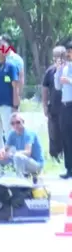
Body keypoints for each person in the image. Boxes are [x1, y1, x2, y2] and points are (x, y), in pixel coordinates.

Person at [0, 113, 44, 177]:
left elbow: (28, 152)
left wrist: (12, 154)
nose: (15, 125)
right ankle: (1, 177)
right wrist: (1, 152)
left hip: (35, 164)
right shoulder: (12, 134)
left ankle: (20, 179)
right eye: (12, 123)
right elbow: (5, 148)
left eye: (18, 122)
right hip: (20, 160)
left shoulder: (28, 133)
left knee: (17, 156)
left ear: (23, 122)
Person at [42, 46, 64, 160]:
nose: (59, 59)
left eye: (61, 56)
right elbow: (45, 89)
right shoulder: (50, 71)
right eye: (56, 57)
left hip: (67, 108)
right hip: (54, 107)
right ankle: (55, 157)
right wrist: (45, 105)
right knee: (53, 133)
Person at [54, 41, 72, 179]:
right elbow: (58, 86)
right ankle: (69, 169)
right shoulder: (65, 68)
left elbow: (68, 82)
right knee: (66, 138)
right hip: (65, 106)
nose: (68, 54)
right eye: (68, 51)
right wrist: (58, 70)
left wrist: (70, 81)